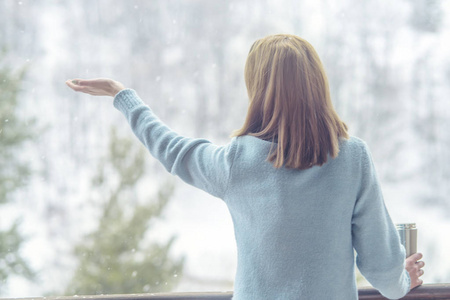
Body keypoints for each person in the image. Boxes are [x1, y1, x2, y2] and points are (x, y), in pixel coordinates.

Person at [66, 34, 425, 300]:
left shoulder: (235, 164)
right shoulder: (352, 159)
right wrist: (402, 279)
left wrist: (122, 96)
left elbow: (171, 149)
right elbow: (385, 274)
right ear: (317, 86)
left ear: (257, 89)